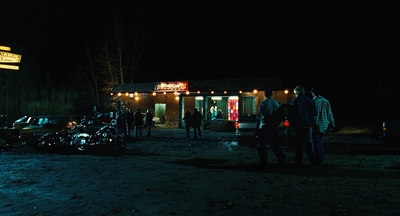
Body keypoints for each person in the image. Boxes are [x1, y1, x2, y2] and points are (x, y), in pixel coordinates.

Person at [288, 86, 318, 167]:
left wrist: (292, 124)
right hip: (308, 126)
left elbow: (290, 115)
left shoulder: (294, 101)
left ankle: (299, 162)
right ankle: (313, 160)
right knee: (308, 144)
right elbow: (315, 113)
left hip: (298, 126)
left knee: (298, 145)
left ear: (296, 92)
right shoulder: (311, 101)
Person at [255, 89, 286, 167]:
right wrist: (277, 122)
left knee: (262, 146)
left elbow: (259, 117)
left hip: (264, 127)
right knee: (275, 145)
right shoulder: (277, 103)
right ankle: (281, 158)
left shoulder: (263, 104)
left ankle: (264, 161)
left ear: (265, 95)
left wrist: (257, 129)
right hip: (273, 127)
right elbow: (282, 116)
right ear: (271, 94)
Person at [310, 86, 336, 165]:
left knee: (315, 142)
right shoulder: (326, 101)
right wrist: (332, 124)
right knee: (319, 140)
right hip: (324, 124)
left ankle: (318, 158)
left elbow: (312, 114)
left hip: (316, 124)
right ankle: (321, 156)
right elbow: (330, 113)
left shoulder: (313, 102)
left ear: (314, 93)